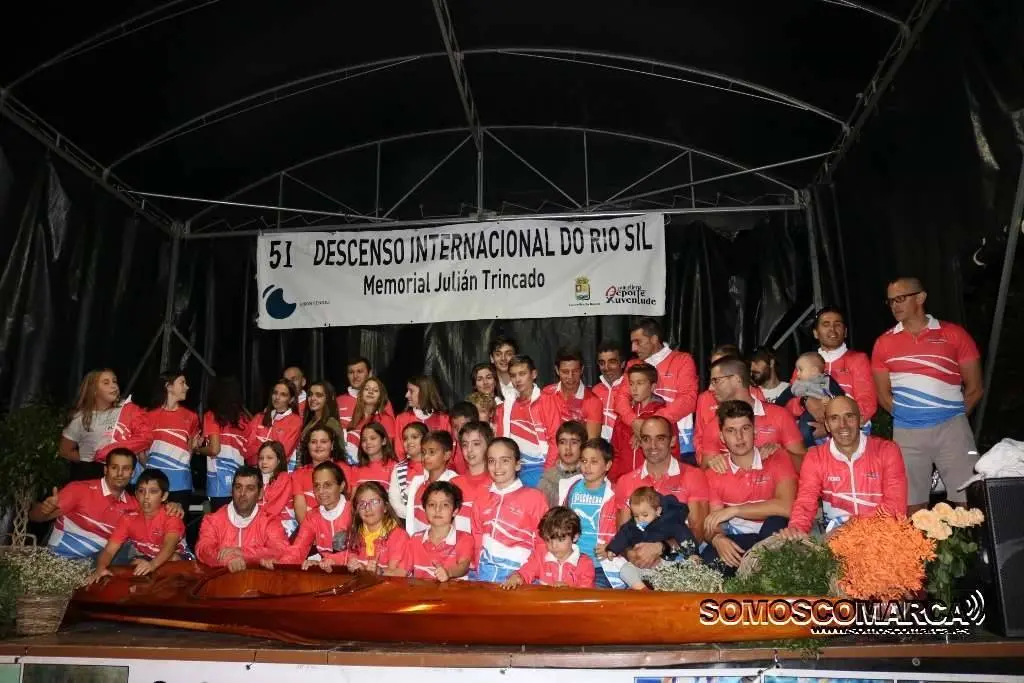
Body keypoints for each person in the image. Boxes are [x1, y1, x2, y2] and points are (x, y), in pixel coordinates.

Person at [871, 277, 983, 512]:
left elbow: (975, 388)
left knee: (971, 502)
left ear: (920, 298)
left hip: (953, 430)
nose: (894, 305)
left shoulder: (954, 334)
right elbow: (883, 395)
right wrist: (910, 417)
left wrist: (952, 417)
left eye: (900, 299)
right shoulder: (883, 343)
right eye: (890, 301)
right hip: (907, 433)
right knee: (910, 506)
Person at [778, 397, 908, 538]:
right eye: (834, 418)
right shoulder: (816, 457)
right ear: (827, 425)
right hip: (835, 538)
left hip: (881, 534)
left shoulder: (886, 451)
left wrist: (849, 528)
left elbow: (895, 507)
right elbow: (805, 503)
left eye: (849, 416)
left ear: (860, 420)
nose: (843, 425)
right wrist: (796, 529)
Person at [30, 449, 183, 561]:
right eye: (114, 467)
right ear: (105, 469)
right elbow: (35, 517)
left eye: (126, 469)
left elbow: (159, 510)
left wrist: (174, 505)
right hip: (61, 560)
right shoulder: (79, 490)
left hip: (99, 564)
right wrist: (44, 510)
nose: (120, 473)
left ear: (132, 474)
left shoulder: (134, 503)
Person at [699, 401, 796, 575]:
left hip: (775, 536)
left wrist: (735, 510)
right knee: (710, 562)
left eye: (745, 428)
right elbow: (712, 523)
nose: (739, 437)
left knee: (776, 522)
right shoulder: (714, 472)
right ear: (722, 437)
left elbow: (787, 507)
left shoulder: (778, 457)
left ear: (755, 432)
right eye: (731, 430)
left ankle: (759, 572)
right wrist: (717, 539)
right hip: (739, 539)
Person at [614, 416, 710, 550]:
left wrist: (662, 548)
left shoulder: (694, 476)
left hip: (681, 557)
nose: (653, 446)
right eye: (646, 439)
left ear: (672, 441)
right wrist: (633, 554)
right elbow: (623, 536)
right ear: (640, 442)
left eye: (660, 439)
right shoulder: (625, 481)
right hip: (639, 557)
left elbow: (697, 534)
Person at [613, 318, 699, 462]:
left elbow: (688, 400)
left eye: (638, 342)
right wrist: (634, 422)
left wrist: (649, 424)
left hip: (679, 444)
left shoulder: (682, 360)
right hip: (641, 444)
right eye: (632, 342)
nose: (633, 348)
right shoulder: (633, 365)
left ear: (654, 339)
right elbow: (620, 400)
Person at [698, 357, 805, 471]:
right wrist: (714, 464)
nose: (710, 388)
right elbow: (704, 472)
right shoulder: (715, 425)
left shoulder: (780, 415)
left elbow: (804, 465)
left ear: (737, 379)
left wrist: (782, 454)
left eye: (716, 380)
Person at [85, 469, 187, 584]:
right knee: (133, 565)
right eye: (141, 491)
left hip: (175, 557)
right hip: (145, 556)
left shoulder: (171, 516)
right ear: (136, 495)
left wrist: (152, 565)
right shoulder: (128, 518)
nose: (146, 496)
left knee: (173, 560)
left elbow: (169, 547)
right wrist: (100, 569)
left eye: (153, 491)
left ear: (164, 496)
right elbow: (109, 550)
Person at [470, 438, 549, 582]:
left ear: (517, 464)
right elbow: (477, 540)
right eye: (492, 461)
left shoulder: (535, 499)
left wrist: (523, 575)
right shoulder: (481, 500)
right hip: (484, 579)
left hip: (519, 580)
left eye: (504, 460)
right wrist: (479, 570)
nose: (497, 467)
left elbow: (543, 545)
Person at [194, 466, 289, 572]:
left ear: (260, 494)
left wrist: (242, 553)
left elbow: (281, 550)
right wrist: (229, 559)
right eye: (238, 487)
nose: (242, 493)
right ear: (231, 491)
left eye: (250, 488)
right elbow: (203, 549)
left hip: (258, 580)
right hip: (220, 580)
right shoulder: (212, 520)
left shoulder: (270, 522)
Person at [557, 438, 624, 588]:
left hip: (600, 565)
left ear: (607, 465)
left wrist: (614, 546)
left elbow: (626, 529)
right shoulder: (570, 488)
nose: (587, 466)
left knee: (590, 597)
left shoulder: (616, 493)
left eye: (594, 462)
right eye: (584, 461)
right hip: (571, 561)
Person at [604, 487, 698, 590]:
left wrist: (692, 553)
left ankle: (667, 590)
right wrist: (613, 549)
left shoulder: (670, 522)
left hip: (666, 563)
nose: (640, 519)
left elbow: (684, 535)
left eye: (645, 515)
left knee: (685, 567)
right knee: (625, 570)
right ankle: (643, 590)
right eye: (636, 516)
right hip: (645, 567)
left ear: (658, 511)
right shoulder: (632, 526)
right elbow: (623, 535)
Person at [61, 369, 142, 481]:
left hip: (122, 474)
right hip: (90, 474)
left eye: (114, 381)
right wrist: (89, 459)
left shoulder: (126, 408)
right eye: (106, 383)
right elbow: (65, 451)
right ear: (93, 390)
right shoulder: (80, 418)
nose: (113, 386)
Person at [493, 355, 561, 488]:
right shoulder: (506, 407)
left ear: (533, 374)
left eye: (522, 374)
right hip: (513, 472)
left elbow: (556, 439)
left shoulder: (547, 401)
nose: (517, 379)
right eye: (513, 375)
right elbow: (501, 443)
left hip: (541, 469)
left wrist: (547, 474)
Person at [272, 461, 351, 571]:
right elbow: (298, 550)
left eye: (327, 485)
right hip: (329, 573)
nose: (321, 491)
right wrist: (279, 565)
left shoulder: (355, 512)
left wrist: (330, 561)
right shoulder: (312, 517)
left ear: (341, 486)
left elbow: (363, 551)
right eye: (317, 486)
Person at [804, 307, 877, 424]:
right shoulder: (806, 362)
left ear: (845, 332)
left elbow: (867, 403)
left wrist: (831, 427)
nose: (832, 329)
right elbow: (790, 401)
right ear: (816, 333)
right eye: (826, 324)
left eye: (837, 324)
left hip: (851, 429)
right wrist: (805, 401)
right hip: (812, 430)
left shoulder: (858, 359)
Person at [138, 371, 200, 506]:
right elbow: (140, 450)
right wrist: (151, 469)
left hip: (181, 484)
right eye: (182, 383)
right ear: (169, 386)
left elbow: (190, 449)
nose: (187, 387)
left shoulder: (191, 417)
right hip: (155, 484)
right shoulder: (149, 416)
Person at [609, 363, 678, 483]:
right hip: (625, 483)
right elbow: (615, 452)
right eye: (631, 383)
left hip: (654, 483)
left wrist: (666, 481)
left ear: (652, 387)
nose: (634, 388)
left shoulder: (663, 417)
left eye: (640, 383)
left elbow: (674, 451)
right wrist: (615, 479)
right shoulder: (623, 417)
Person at [694, 346, 765, 458]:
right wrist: (706, 460)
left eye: (723, 363)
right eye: (713, 365)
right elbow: (699, 437)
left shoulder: (756, 394)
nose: (717, 367)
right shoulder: (704, 399)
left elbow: (767, 425)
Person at [503, 507, 596, 589]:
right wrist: (517, 577)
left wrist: (569, 591)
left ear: (575, 537)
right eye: (548, 540)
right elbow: (526, 572)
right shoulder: (540, 556)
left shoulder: (585, 564)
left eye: (560, 540)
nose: (553, 546)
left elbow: (586, 592)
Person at [405, 430, 472, 535]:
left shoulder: (456, 483)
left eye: (432, 452)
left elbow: (462, 524)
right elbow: (410, 519)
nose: (426, 457)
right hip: (418, 541)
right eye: (423, 452)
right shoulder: (417, 483)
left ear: (447, 455)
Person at [198, 377, 251, 511]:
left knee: (221, 521)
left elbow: (214, 449)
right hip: (240, 481)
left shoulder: (211, 416)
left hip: (218, 484)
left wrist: (196, 449)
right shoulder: (244, 418)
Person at [408, 481, 475, 581]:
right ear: (424, 509)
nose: (437, 509)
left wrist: (448, 572)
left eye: (445, 505)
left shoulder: (464, 538)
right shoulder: (415, 539)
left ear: (455, 511)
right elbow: (404, 570)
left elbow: (463, 566)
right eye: (432, 504)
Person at [776, 352, 845, 447]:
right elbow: (784, 397)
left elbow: (840, 395)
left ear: (813, 371)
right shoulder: (797, 385)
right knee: (804, 428)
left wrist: (830, 399)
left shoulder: (824, 380)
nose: (797, 373)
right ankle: (810, 447)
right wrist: (775, 408)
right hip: (807, 413)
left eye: (800, 370)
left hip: (827, 410)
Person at [342, 482, 411, 576]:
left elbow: (399, 574)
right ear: (357, 511)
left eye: (374, 502)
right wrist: (357, 568)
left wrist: (379, 571)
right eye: (362, 504)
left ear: (385, 507)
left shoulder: (399, 536)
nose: (367, 508)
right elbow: (345, 558)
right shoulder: (354, 534)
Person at [542, 347, 602, 439]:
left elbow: (591, 443)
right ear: (557, 370)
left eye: (575, 371)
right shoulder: (546, 393)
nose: (570, 376)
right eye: (565, 372)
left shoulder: (594, 402)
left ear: (582, 370)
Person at [292, 426, 347, 524]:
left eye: (323, 442)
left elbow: (350, 504)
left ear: (332, 445)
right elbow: (301, 514)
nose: (318, 446)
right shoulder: (298, 475)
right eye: (313, 442)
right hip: (310, 528)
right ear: (308, 446)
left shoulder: (344, 469)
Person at [244, 379, 303, 470]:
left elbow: (282, 453)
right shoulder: (259, 417)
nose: (277, 397)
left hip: (277, 472)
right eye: (275, 393)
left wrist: (258, 443)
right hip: (253, 470)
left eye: (283, 394)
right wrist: (269, 445)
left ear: (291, 399)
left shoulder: (295, 421)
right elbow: (246, 448)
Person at [394, 375, 451, 460]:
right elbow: (399, 451)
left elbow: (448, 450)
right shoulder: (401, 419)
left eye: (411, 391)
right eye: (407, 391)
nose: (406, 395)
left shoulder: (444, 419)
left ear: (424, 392)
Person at [345, 377, 397, 464]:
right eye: (367, 389)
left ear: (380, 397)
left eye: (375, 390)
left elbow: (388, 450)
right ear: (361, 394)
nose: (370, 392)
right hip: (354, 465)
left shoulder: (385, 419)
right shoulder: (356, 419)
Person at [538, 421, 587, 506]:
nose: (568, 448)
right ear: (557, 446)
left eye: (574, 442)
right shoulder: (547, 480)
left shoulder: (590, 476)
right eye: (562, 442)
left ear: (583, 446)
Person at [337, 357, 395, 425]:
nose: (355, 376)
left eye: (359, 371)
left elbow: (389, 428)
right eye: (351, 372)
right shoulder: (338, 401)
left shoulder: (382, 401)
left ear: (369, 374)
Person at [388, 422, 428, 520]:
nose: (409, 441)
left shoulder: (435, 466)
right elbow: (394, 499)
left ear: (426, 439)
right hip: (406, 519)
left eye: (414, 437)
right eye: (405, 438)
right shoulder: (398, 468)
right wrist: (412, 517)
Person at [256, 441, 296, 536]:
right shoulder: (255, 479)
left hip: (282, 525)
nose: (264, 462)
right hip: (261, 523)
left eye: (269, 458)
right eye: (261, 458)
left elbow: (273, 508)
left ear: (278, 461)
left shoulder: (284, 478)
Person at [592, 340, 625, 441]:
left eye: (612, 362)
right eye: (602, 363)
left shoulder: (631, 389)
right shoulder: (595, 391)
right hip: (598, 448)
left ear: (622, 364)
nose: (606, 367)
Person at [350, 422, 399, 490]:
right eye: (364, 440)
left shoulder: (395, 467)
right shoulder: (356, 469)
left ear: (384, 441)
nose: (368, 442)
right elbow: (354, 495)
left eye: (373, 438)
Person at [300, 380, 344, 444]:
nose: (312, 398)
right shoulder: (311, 421)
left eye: (319, 395)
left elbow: (339, 449)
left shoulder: (332, 424)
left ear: (328, 398)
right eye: (310, 394)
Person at [458, 420, 494, 492]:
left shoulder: (497, 481)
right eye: (465, 445)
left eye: (476, 444)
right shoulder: (454, 484)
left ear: (489, 446)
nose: (469, 449)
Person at [448, 400, 479, 474]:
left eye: (464, 426)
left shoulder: (484, 447)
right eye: (455, 427)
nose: (459, 431)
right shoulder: (451, 451)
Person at [489, 335, 520, 403]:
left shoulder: (524, 384)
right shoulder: (487, 385)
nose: (503, 358)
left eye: (508, 354)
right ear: (492, 358)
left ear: (516, 357)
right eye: (498, 354)